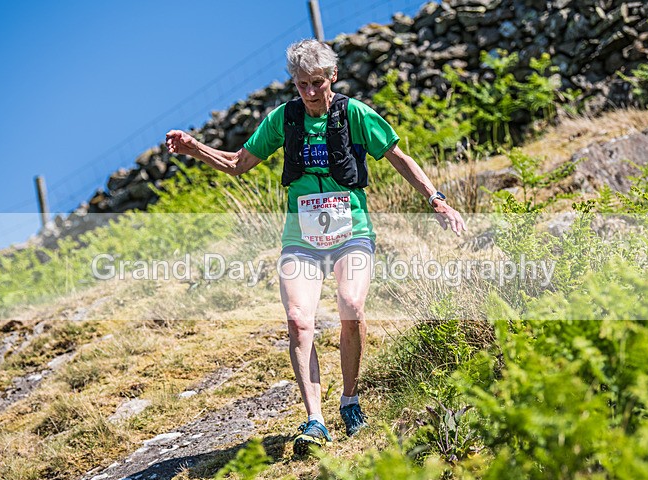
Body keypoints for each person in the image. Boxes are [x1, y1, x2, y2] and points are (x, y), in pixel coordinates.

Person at [166, 39, 465, 455]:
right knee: (297, 320)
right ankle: (315, 420)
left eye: (317, 83)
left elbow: (398, 157)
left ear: (333, 78)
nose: (309, 92)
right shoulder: (283, 119)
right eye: (301, 83)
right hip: (301, 239)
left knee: (351, 307)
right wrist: (193, 148)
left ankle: (350, 400)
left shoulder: (354, 114)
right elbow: (237, 164)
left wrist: (436, 199)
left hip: (351, 232)